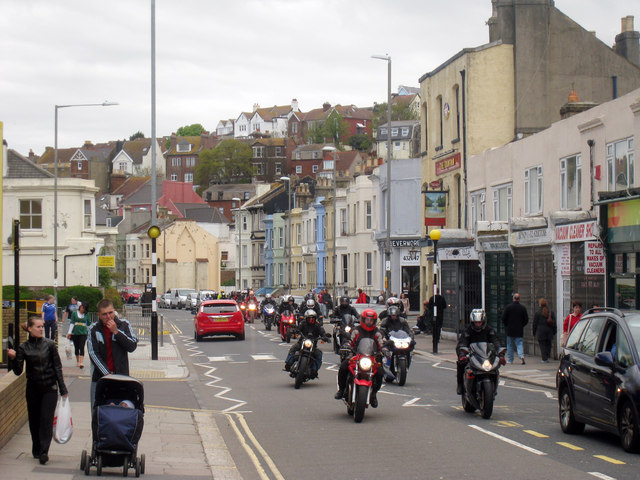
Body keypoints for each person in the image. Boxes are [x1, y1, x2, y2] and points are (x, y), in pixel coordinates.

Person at [7, 316, 68, 465]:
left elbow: (57, 367)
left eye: (42, 326)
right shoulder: (23, 347)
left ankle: (44, 452)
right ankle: (37, 448)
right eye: (38, 327)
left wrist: (62, 387)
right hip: (33, 389)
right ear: (29, 329)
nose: (41, 329)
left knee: (46, 420)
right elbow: (17, 371)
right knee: (34, 420)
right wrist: (14, 358)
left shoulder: (50, 345)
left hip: (50, 388)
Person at [87, 299, 137, 407]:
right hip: (101, 380)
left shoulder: (124, 324)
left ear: (114, 311)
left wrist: (116, 332)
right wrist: (107, 374)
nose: (108, 317)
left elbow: (132, 346)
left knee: (121, 416)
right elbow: (93, 354)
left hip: (121, 378)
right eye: (104, 314)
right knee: (98, 416)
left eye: (110, 313)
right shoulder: (93, 329)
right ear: (99, 315)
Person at [334, 308, 386, 407]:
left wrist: (384, 349)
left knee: (380, 372)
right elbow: (350, 340)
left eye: (371, 320)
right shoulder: (356, 330)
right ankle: (341, 390)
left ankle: (374, 394)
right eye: (367, 320)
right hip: (356, 356)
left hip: (372, 358)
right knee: (343, 367)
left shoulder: (377, 332)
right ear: (363, 320)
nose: (369, 322)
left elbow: (381, 342)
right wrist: (347, 345)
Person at [456, 309, 504, 395]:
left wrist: (501, 353)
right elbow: (462, 342)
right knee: (461, 364)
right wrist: (462, 353)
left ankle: (493, 386)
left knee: (495, 368)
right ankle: (460, 385)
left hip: (486, 355)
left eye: (480, 322)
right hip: (473, 355)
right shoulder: (468, 330)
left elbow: (496, 341)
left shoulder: (489, 330)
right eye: (476, 322)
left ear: (483, 321)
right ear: (472, 322)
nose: (478, 324)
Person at [283, 309, 329, 375]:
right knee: (293, 348)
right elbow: (298, 329)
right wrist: (295, 331)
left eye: (313, 319)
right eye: (309, 318)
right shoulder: (303, 323)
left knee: (319, 354)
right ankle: (288, 363)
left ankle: (314, 370)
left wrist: (325, 337)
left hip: (313, 345)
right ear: (306, 318)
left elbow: (322, 332)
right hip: (302, 342)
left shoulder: (317, 325)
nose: (311, 320)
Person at [501, 293, 529, 364]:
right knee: (519, 344)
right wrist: (521, 325)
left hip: (510, 329)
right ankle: (521, 355)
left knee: (510, 345)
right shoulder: (522, 308)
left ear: (513, 299)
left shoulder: (508, 307)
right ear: (519, 299)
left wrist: (507, 325)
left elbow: (503, 318)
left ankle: (510, 360)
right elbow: (526, 319)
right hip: (519, 329)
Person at [67, 301, 90, 368]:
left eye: (84, 309)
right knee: (76, 347)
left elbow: (89, 323)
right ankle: (77, 361)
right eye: (82, 308)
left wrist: (88, 320)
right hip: (75, 332)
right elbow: (72, 323)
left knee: (82, 346)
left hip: (83, 333)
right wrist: (69, 332)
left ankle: (81, 362)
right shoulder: (74, 313)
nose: (82, 310)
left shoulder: (86, 315)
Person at [532, 298, 556, 363]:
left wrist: (534, 332)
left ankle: (544, 358)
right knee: (548, 344)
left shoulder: (537, 313)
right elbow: (554, 323)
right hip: (549, 331)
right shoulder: (550, 312)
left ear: (540, 304)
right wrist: (554, 331)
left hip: (540, 331)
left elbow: (535, 323)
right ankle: (547, 355)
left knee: (542, 345)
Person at [428, 289, 447, 353]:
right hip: (440, 315)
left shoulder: (432, 298)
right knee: (438, 327)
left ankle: (434, 339)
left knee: (434, 328)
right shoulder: (442, 298)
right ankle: (437, 338)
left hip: (434, 316)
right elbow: (445, 306)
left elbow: (429, 307)